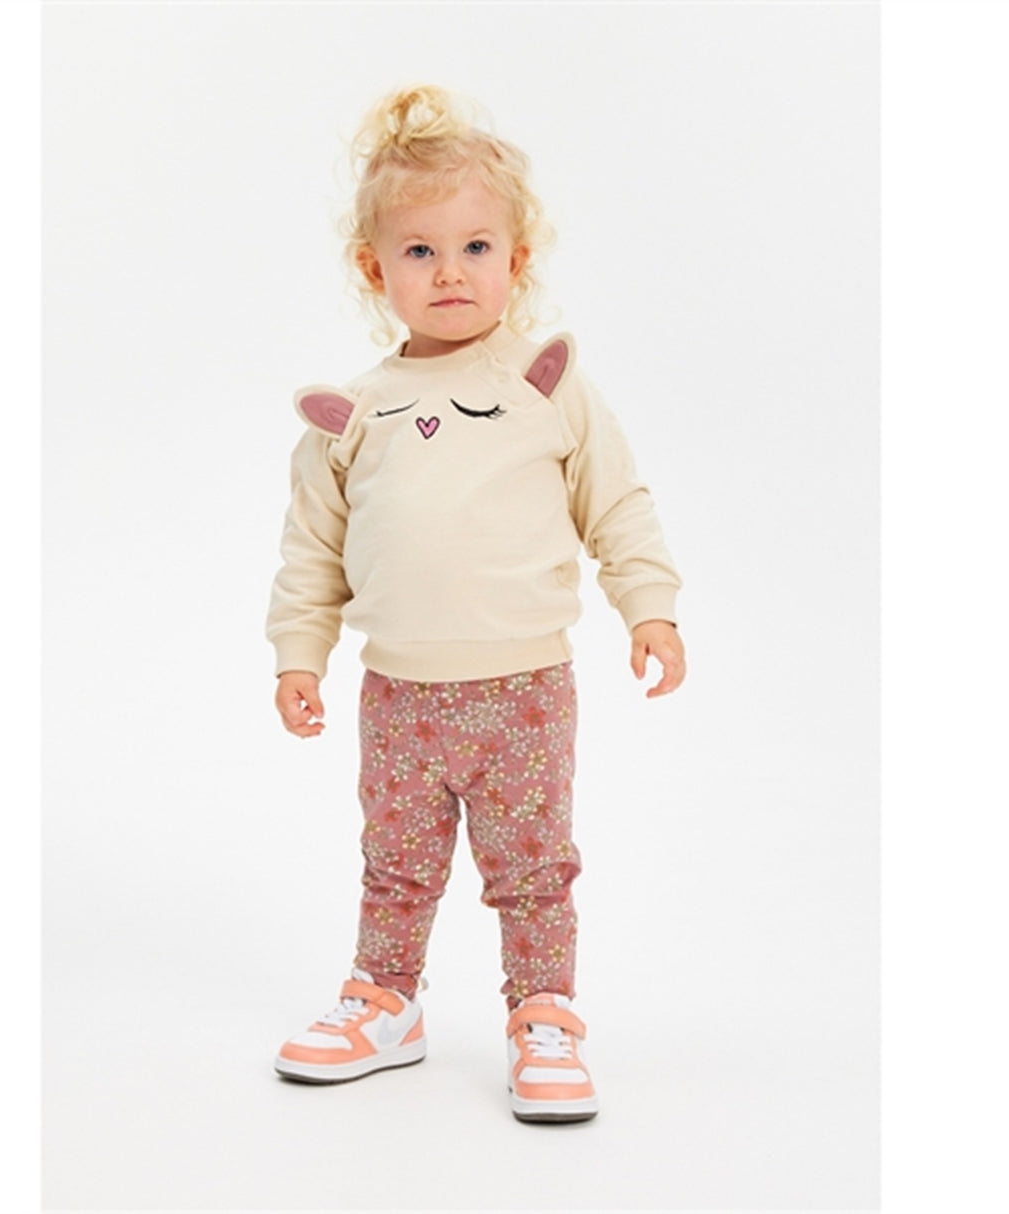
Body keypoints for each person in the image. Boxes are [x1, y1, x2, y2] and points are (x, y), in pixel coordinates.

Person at [265, 83, 686, 1123]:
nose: (449, 271)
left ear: (517, 260)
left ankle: (543, 1012)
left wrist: (649, 606)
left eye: (475, 247)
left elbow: (614, 502)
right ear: (376, 269)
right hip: (400, 695)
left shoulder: (546, 385)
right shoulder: (353, 415)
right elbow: (312, 550)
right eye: (419, 251)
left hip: (523, 690)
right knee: (396, 864)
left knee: (533, 866)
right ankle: (386, 999)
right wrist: (298, 655)